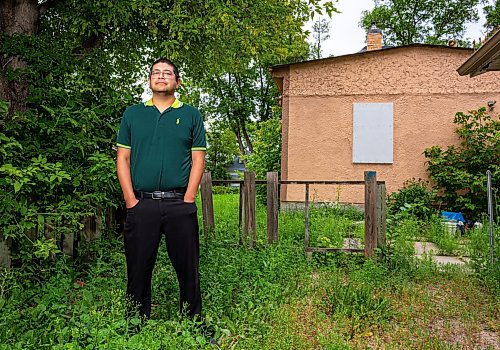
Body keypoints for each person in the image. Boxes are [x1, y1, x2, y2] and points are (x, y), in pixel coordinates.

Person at [116, 58, 206, 320]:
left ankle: (194, 323)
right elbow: (122, 158)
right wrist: (130, 200)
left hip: (179, 203)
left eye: (168, 73)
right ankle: (135, 322)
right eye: (156, 72)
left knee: (188, 267)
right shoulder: (133, 115)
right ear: (149, 80)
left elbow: (198, 159)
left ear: (177, 82)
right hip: (142, 204)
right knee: (138, 267)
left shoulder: (191, 115)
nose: (161, 76)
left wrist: (188, 198)